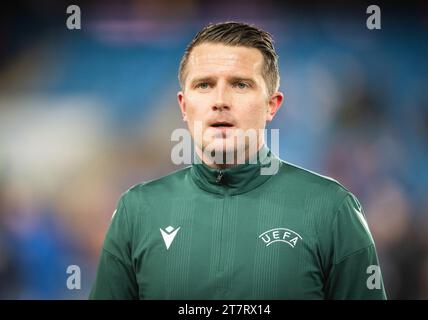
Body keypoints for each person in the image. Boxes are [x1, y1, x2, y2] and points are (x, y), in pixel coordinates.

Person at [89, 21, 387, 300]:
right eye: (204, 84)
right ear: (183, 105)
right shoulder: (136, 211)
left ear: (272, 105)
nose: (220, 100)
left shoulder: (332, 209)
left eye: (240, 84)